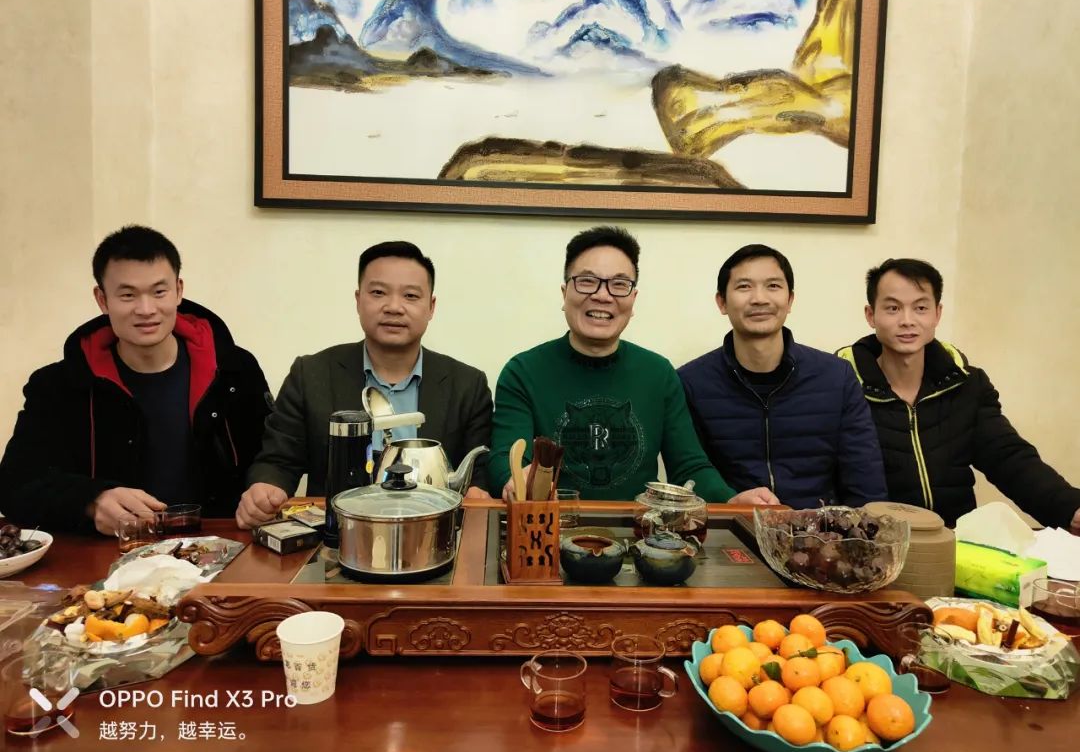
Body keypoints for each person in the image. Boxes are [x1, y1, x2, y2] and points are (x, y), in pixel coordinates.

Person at [0, 226, 272, 535]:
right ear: (102, 299)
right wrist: (90, 500)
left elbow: (271, 459)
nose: (146, 310)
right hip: (109, 552)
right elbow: (14, 485)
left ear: (179, 291)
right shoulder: (60, 385)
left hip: (220, 544)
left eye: (159, 292)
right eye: (128, 295)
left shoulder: (234, 370)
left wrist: (264, 490)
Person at [238, 241, 492, 528]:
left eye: (410, 295)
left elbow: (479, 473)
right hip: (337, 539)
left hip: (432, 537)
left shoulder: (467, 385)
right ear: (358, 300)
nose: (394, 307)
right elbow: (277, 461)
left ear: (431, 307)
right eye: (378, 293)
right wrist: (265, 489)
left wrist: (477, 491)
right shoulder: (311, 374)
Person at [489, 226, 734, 502]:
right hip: (550, 523)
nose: (603, 296)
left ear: (633, 299)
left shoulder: (658, 373)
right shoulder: (523, 372)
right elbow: (506, 457)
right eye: (587, 281)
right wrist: (515, 479)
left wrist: (731, 501)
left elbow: (689, 468)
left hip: (639, 527)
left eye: (619, 284)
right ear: (564, 293)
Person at [838, 258, 1080, 529]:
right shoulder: (840, 388)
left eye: (920, 308)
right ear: (871, 315)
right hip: (876, 542)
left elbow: (1008, 458)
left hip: (954, 539)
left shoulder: (967, 385)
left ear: (937, 314)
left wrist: (1069, 507)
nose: (907, 321)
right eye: (893, 308)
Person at [679, 244, 887, 509]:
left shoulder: (837, 377)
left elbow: (865, 481)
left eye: (773, 286)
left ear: (790, 300)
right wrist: (729, 505)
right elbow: (689, 473)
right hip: (733, 525)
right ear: (722, 302)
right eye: (744, 286)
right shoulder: (691, 382)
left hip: (822, 529)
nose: (759, 298)